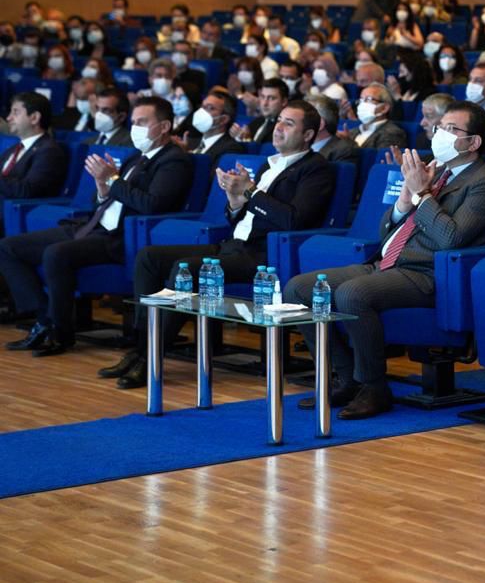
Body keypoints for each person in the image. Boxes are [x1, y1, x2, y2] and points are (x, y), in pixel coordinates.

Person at [286, 101, 485, 418]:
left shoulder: (484, 184)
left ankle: (374, 387)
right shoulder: (434, 172)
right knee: (298, 289)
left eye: (452, 129)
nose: (440, 134)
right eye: (440, 127)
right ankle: (345, 377)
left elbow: (451, 238)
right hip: (386, 263)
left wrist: (422, 195)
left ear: (473, 142)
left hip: (428, 275)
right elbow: (386, 230)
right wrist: (405, 198)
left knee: (352, 294)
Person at [101, 100, 336, 388]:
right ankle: (140, 346)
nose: (278, 128)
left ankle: (150, 357)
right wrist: (235, 202)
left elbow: (293, 220)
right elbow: (244, 215)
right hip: (232, 245)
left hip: (264, 255)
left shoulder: (315, 169)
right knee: (149, 257)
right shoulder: (268, 163)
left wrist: (250, 192)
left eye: (289, 123)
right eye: (279, 121)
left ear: (308, 134)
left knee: (186, 268)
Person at [0, 97, 194, 357]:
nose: (135, 128)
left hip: (120, 236)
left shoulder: (173, 161)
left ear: (164, 126)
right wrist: (103, 188)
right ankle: (44, 318)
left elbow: (152, 204)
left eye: (142, 122)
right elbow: (107, 197)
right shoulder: (137, 157)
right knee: (9, 248)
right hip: (92, 224)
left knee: (56, 253)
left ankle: (60, 333)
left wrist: (112, 180)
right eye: (134, 122)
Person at [0, 93, 69, 232]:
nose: (8, 118)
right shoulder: (13, 149)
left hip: (12, 214)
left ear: (34, 118)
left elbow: (28, 190)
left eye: (16, 112)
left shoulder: (49, 151)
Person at [180, 89, 246, 165]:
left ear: (223, 119)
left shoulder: (231, 149)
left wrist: (187, 157)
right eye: (202, 107)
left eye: (210, 108)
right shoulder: (190, 143)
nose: (202, 112)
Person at [346, 82, 410, 149]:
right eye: (361, 100)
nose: (362, 104)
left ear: (384, 108)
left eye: (368, 99)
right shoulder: (352, 132)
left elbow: (382, 155)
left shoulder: (393, 133)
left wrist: (348, 143)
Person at [236, 79, 289, 144]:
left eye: (271, 98)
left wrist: (248, 141)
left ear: (284, 101)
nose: (265, 103)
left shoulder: (284, 128)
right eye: (263, 97)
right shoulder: (257, 122)